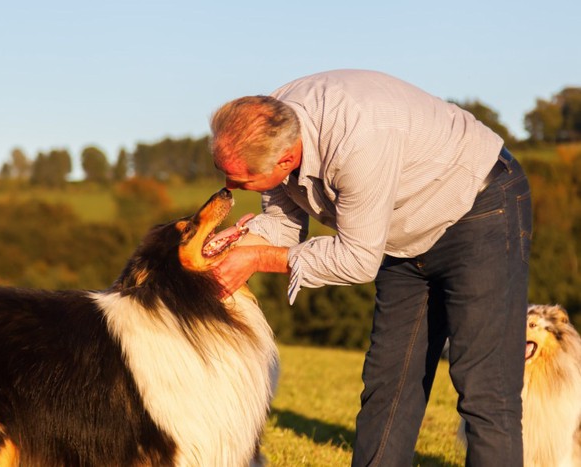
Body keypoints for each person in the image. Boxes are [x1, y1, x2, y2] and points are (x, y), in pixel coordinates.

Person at [209, 69, 531, 466]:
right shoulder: (270, 125)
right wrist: (236, 248)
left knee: (485, 388)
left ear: (287, 158)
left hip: (479, 209)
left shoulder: (357, 139)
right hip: (399, 234)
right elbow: (282, 222)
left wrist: (259, 258)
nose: (231, 186)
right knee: (388, 387)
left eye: (241, 180)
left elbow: (359, 258)